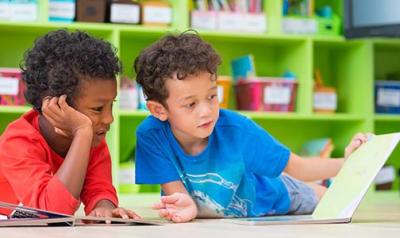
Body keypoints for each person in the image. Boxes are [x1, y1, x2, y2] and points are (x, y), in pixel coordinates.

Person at [133, 31, 370, 223]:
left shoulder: (238, 129)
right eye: (191, 104)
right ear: (158, 110)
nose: (206, 111)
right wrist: (187, 207)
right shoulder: (151, 135)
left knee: (325, 200)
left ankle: (320, 186)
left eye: (212, 96)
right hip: (227, 210)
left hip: (274, 196)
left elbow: (300, 166)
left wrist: (349, 163)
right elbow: (180, 197)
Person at [0, 29, 139, 219]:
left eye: (111, 105)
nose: (109, 119)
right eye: (98, 109)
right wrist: (82, 131)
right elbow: (52, 212)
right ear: (56, 106)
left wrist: (105, 207)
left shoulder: (92, 138)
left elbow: (98, 187)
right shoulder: (17, 142)